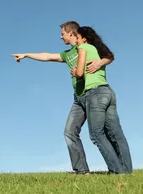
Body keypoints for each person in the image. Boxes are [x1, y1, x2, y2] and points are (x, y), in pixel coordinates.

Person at [10, 21, 114, 174]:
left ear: (71, 33)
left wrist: (100, 62)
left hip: (93, 93)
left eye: (62, 34)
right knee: (69, 131)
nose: (61, 37)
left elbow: (108, 56)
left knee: (101, 133)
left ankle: (117, 168)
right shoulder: (67, 54)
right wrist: (27, 55)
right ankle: (82, 171)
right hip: (78, 98)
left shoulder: (86, 45)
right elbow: (46, 56)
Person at [73, 26, 133, 174]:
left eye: (78, 38)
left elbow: (80, 73)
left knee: (96, 134)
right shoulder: (96, 49)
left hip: (95, 94)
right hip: (107, 92)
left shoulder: (84, 48)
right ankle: (126, 171)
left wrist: (75, 72)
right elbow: (110, 56)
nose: (77, 41)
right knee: (116, 133)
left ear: (84, 39)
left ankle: (116, 171)